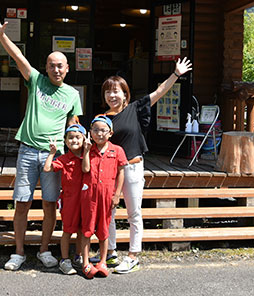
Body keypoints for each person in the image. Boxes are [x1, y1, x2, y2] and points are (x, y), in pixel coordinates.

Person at [0, 12, 82, 271]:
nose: (56, 69)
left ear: (67, 69)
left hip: (54, 155)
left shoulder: (72, 94)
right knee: (22, 202)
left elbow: (74, 128)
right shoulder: (36, 81)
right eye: (52, 65)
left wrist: (79, 152)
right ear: (46, 67)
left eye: (60, 65)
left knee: (50, 204)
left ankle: (44, 250)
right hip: (27, 151)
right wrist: (1, 35)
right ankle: (18, 252)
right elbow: (18, 56)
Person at [101, 57, 192, 274]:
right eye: (108, 92)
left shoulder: (135, 108)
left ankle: (133, 255)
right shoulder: (102, 118)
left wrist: (176, 74)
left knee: (134, 213)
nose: (112, 95)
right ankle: (110, 252)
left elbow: (160, 92)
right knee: (108, 212)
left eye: (116, 91)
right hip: (111, 170)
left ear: (125, 94)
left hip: (132, 167)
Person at [80, 115, 127, 279]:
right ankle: (85, 262)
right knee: (87, 229)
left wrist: (117, 194)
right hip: (89, 196)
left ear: (110, 133)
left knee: (104, 230)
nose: (99, 133)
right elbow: (85, 170)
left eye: (103, 130)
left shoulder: (117, 150)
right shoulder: (88, 149)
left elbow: (121, 172)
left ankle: (102, 261)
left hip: (107, 196)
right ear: (90, 132)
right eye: (95, 130)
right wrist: (86, 150)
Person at [43, 124, 90, 275]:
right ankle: (64, 259)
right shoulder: (63, 159)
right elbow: (47, 168)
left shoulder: (88, 156)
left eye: (78, 137)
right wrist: (52, 152)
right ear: (65, 141)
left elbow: (87, 169)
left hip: (85, 199)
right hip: (69, 200)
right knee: (68, 230)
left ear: (84, 139)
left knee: (82, 230)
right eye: (70, 138)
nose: (74, 140)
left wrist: (88, 151)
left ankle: (79, 256)